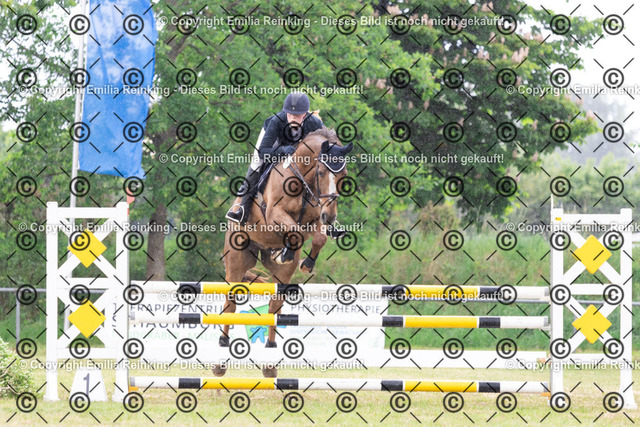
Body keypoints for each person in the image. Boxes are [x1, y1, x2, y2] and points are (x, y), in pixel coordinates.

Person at [226, 92, 323, 225]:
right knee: (256, 163)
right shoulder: (277, 121)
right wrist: (282, 150)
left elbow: (326, 144)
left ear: (305, 115)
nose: (292, 118)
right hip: (274, 143)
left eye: (297, 115)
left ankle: (329, 220)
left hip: (297, 149)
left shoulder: (315, 123)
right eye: (290, 114)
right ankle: (242, 210)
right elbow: (263, 152)